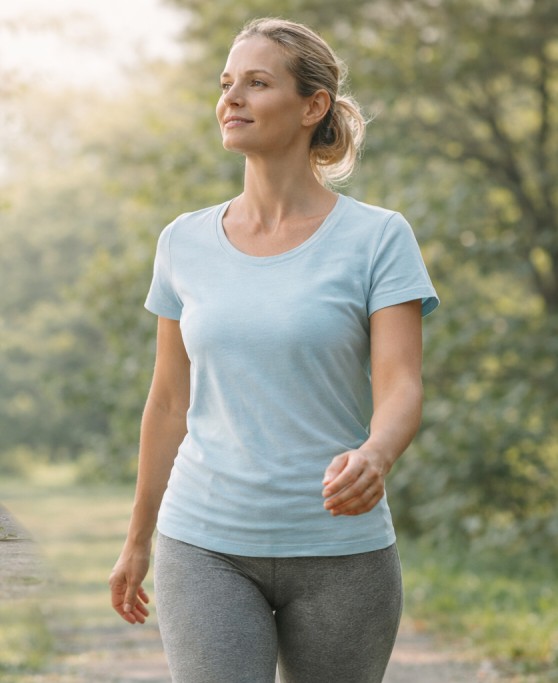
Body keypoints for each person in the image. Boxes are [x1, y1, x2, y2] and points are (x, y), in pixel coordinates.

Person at [107, 17, 439, 683]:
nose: (231, 98)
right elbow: (170, 401)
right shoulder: (183, 241)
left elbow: (401, 383)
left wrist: (375, 454)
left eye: (257, 83)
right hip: (204, 542)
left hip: (342, 550)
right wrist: (138, 539)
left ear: (312, 106)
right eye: (227, 83)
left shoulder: (378, 238)